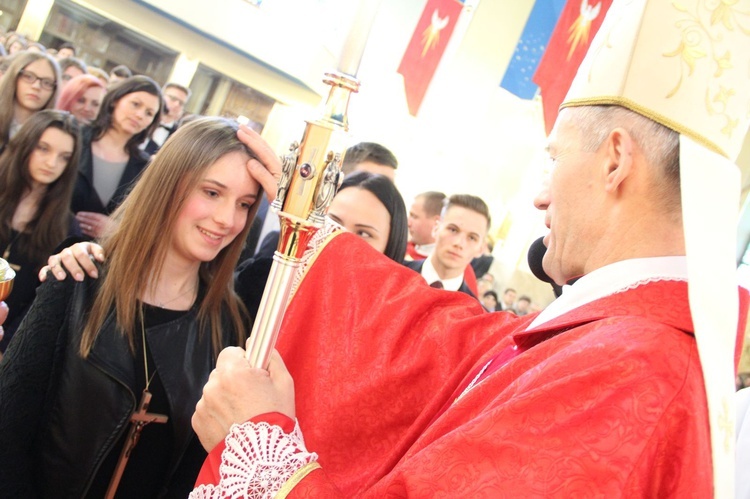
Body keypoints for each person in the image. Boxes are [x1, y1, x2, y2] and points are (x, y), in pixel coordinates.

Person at [187, 1, 750, 496]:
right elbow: (449, 346)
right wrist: (310, 223)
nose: (539, 196)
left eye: (553, 160)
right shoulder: (619, 337)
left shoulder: (634, 372)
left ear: (615, 161)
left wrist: (255, 448)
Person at [0, 117, 265, 497]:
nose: (227, 219)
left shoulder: (230, 327)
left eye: (244, 204)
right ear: (168, 184)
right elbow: (8, 428)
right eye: (211, 192)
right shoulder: (79, 278)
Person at [0, 110, 81, 352]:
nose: (51, 163)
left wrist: (7, 348)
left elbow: (44, 302)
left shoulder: (66, 227)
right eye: (43, 148)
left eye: (64, 157)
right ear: (25, 144)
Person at [71, 75, 162, 239]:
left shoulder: (143, 166)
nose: (140, 115)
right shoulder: (74, 138)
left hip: (97, 255)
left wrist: (117, 230)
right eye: (135, 104)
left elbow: (141, 222)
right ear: (115, 100)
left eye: (149, 113)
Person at [403, 194, 490, 296]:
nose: (459, 243)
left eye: (472, 238)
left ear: (481, 249)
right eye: (453, 230)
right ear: (436, 228)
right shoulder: (395, 273)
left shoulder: (473, 310)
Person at [0, 51, 60, 151]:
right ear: (14, 77)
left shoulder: (50, 136)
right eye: (28, 76)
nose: (36, 86)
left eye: (47, 82)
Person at [143, 82, 191, 154]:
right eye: (173, 98)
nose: (176, 104)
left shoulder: (179, 135)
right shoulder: (143, 119)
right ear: (161, 96)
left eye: (181, 103)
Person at [404, 190, 445, 260]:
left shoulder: (442, 265)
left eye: (414, 216)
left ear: (436, 222)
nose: (408, 223)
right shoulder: (402, 248)